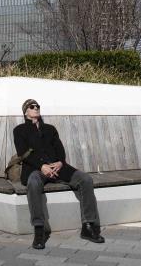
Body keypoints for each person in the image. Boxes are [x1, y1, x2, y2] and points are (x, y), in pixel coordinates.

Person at [14, 99, 103, 250]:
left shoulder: (49, 129)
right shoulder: (20, 130)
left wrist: (61, 162)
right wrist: (42, 166)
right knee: (33, 182)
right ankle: (39, 229)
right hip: (37, 168)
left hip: (58, 167)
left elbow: (59, 148)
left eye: (37, 106)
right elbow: (23, 153)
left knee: (85, 179)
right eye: (32, 106)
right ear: (26, 112)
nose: (36, 108)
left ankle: (88, 226)